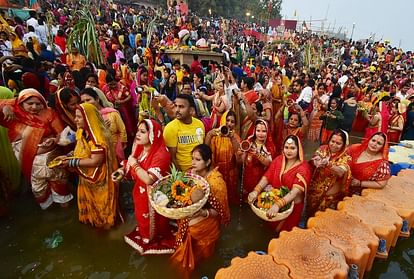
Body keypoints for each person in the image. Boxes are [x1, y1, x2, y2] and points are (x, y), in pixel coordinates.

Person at [0, 88, 72, 209]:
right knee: (39, 190)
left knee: (61, 186)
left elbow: (62, 133)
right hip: (31, 163)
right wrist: (5, 107)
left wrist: (54, 140)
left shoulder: (49, 113)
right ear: (21, 103)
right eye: (30, 103)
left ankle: (65, 213)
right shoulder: (14, 115)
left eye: (38, 103)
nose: (34, 107)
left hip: (53, 160)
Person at [113, 119, 175, 255]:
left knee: (156, 222)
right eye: (137, 131)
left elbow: (148, 179)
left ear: (153, 134)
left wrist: (134, 164)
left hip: (155, 196)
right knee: (142, 216)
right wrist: (122, 171)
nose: (137, 135)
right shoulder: (140, 147)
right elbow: (130, 163)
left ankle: (154, 237)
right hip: (140, 192)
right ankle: (147, 235)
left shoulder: (161, 154)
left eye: (142, 132)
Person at [171, 144, 230, 277]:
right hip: (187, 222)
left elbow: (221, 211)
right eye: (192, 158)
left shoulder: (216, 182)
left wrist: (204, 213)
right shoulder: (190, 174)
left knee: (203, 260)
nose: (193, 162)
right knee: (181, 264)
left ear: (208, 162)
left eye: (198, 160)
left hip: (205, 228)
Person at [59, 103, 118, 228]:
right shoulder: (82, 132)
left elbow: (95, 161)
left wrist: (70, 162)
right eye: (76, 116)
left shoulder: (98, 138)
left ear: (88, 118)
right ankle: (93, 221)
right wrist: (69, 156)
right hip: (86, 175)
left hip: (100, 178)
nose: (75, 120)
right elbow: (80, 150)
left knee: (102, 205)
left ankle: (105, 227)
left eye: (79, 117)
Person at [247, 135, 312, 232]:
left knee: (285, 235)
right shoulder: (278, 160)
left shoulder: (303, 168)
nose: (288, 151)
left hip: (291, 208)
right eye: (286, 147)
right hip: (274, 201)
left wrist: (278, 205)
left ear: (299, 149)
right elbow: (267, 177)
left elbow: (295, 192)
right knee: (270, 230)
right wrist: (255, 191)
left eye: (292, 148)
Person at [307, 129, 352, 217]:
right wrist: (315, 161)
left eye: (338, 143)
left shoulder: (346, 157)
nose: (334, 145)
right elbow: (314, 160)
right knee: (309, 211)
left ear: (344, 145)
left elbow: (341, 172)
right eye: (332, 141)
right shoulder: (322, 148)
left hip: (330, 194)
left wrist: (328, 164)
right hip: (314, 189)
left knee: (322, 217)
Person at [80, 87, 127, 163]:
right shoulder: (86, 119)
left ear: (97, 99)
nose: (86, 103)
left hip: (116, 150)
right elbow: (88, 139)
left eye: (88, 100)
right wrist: (101, 128)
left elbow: (122, 131)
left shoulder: (112, 113)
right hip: (99, 155)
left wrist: (120, 146)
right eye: (83, 101)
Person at [205, 110, 240, 205]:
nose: (229, 124)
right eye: (227, 120)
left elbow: (239, 155)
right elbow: (206, 151)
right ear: (223, 120)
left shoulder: (235, 136)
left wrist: (232, 138)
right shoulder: (215, 136)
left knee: (229, 197)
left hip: (231, 173)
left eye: (232, 122)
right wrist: (210, 134)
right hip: (217, 172)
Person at [163, 94, 205, 171]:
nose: (177, 110)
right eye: (175, 106)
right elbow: (172, 158)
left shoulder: (200, 124)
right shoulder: (170, 128)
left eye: (181, 107)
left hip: (201, 171)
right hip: (184, 173)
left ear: (191, 110)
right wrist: (182, 177)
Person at [237, 119, 275, 201]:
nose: (261, 134)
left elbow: (269, 164)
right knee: (247, 199)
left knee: (260, 200)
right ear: (254, 131)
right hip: (248, 175)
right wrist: (239, 154)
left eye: (264, 131)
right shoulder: (249, 142)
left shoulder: (269, 146)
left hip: (262, 177)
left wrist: (258, 154)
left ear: (267, 132)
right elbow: (241, 161)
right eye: (258, 130)